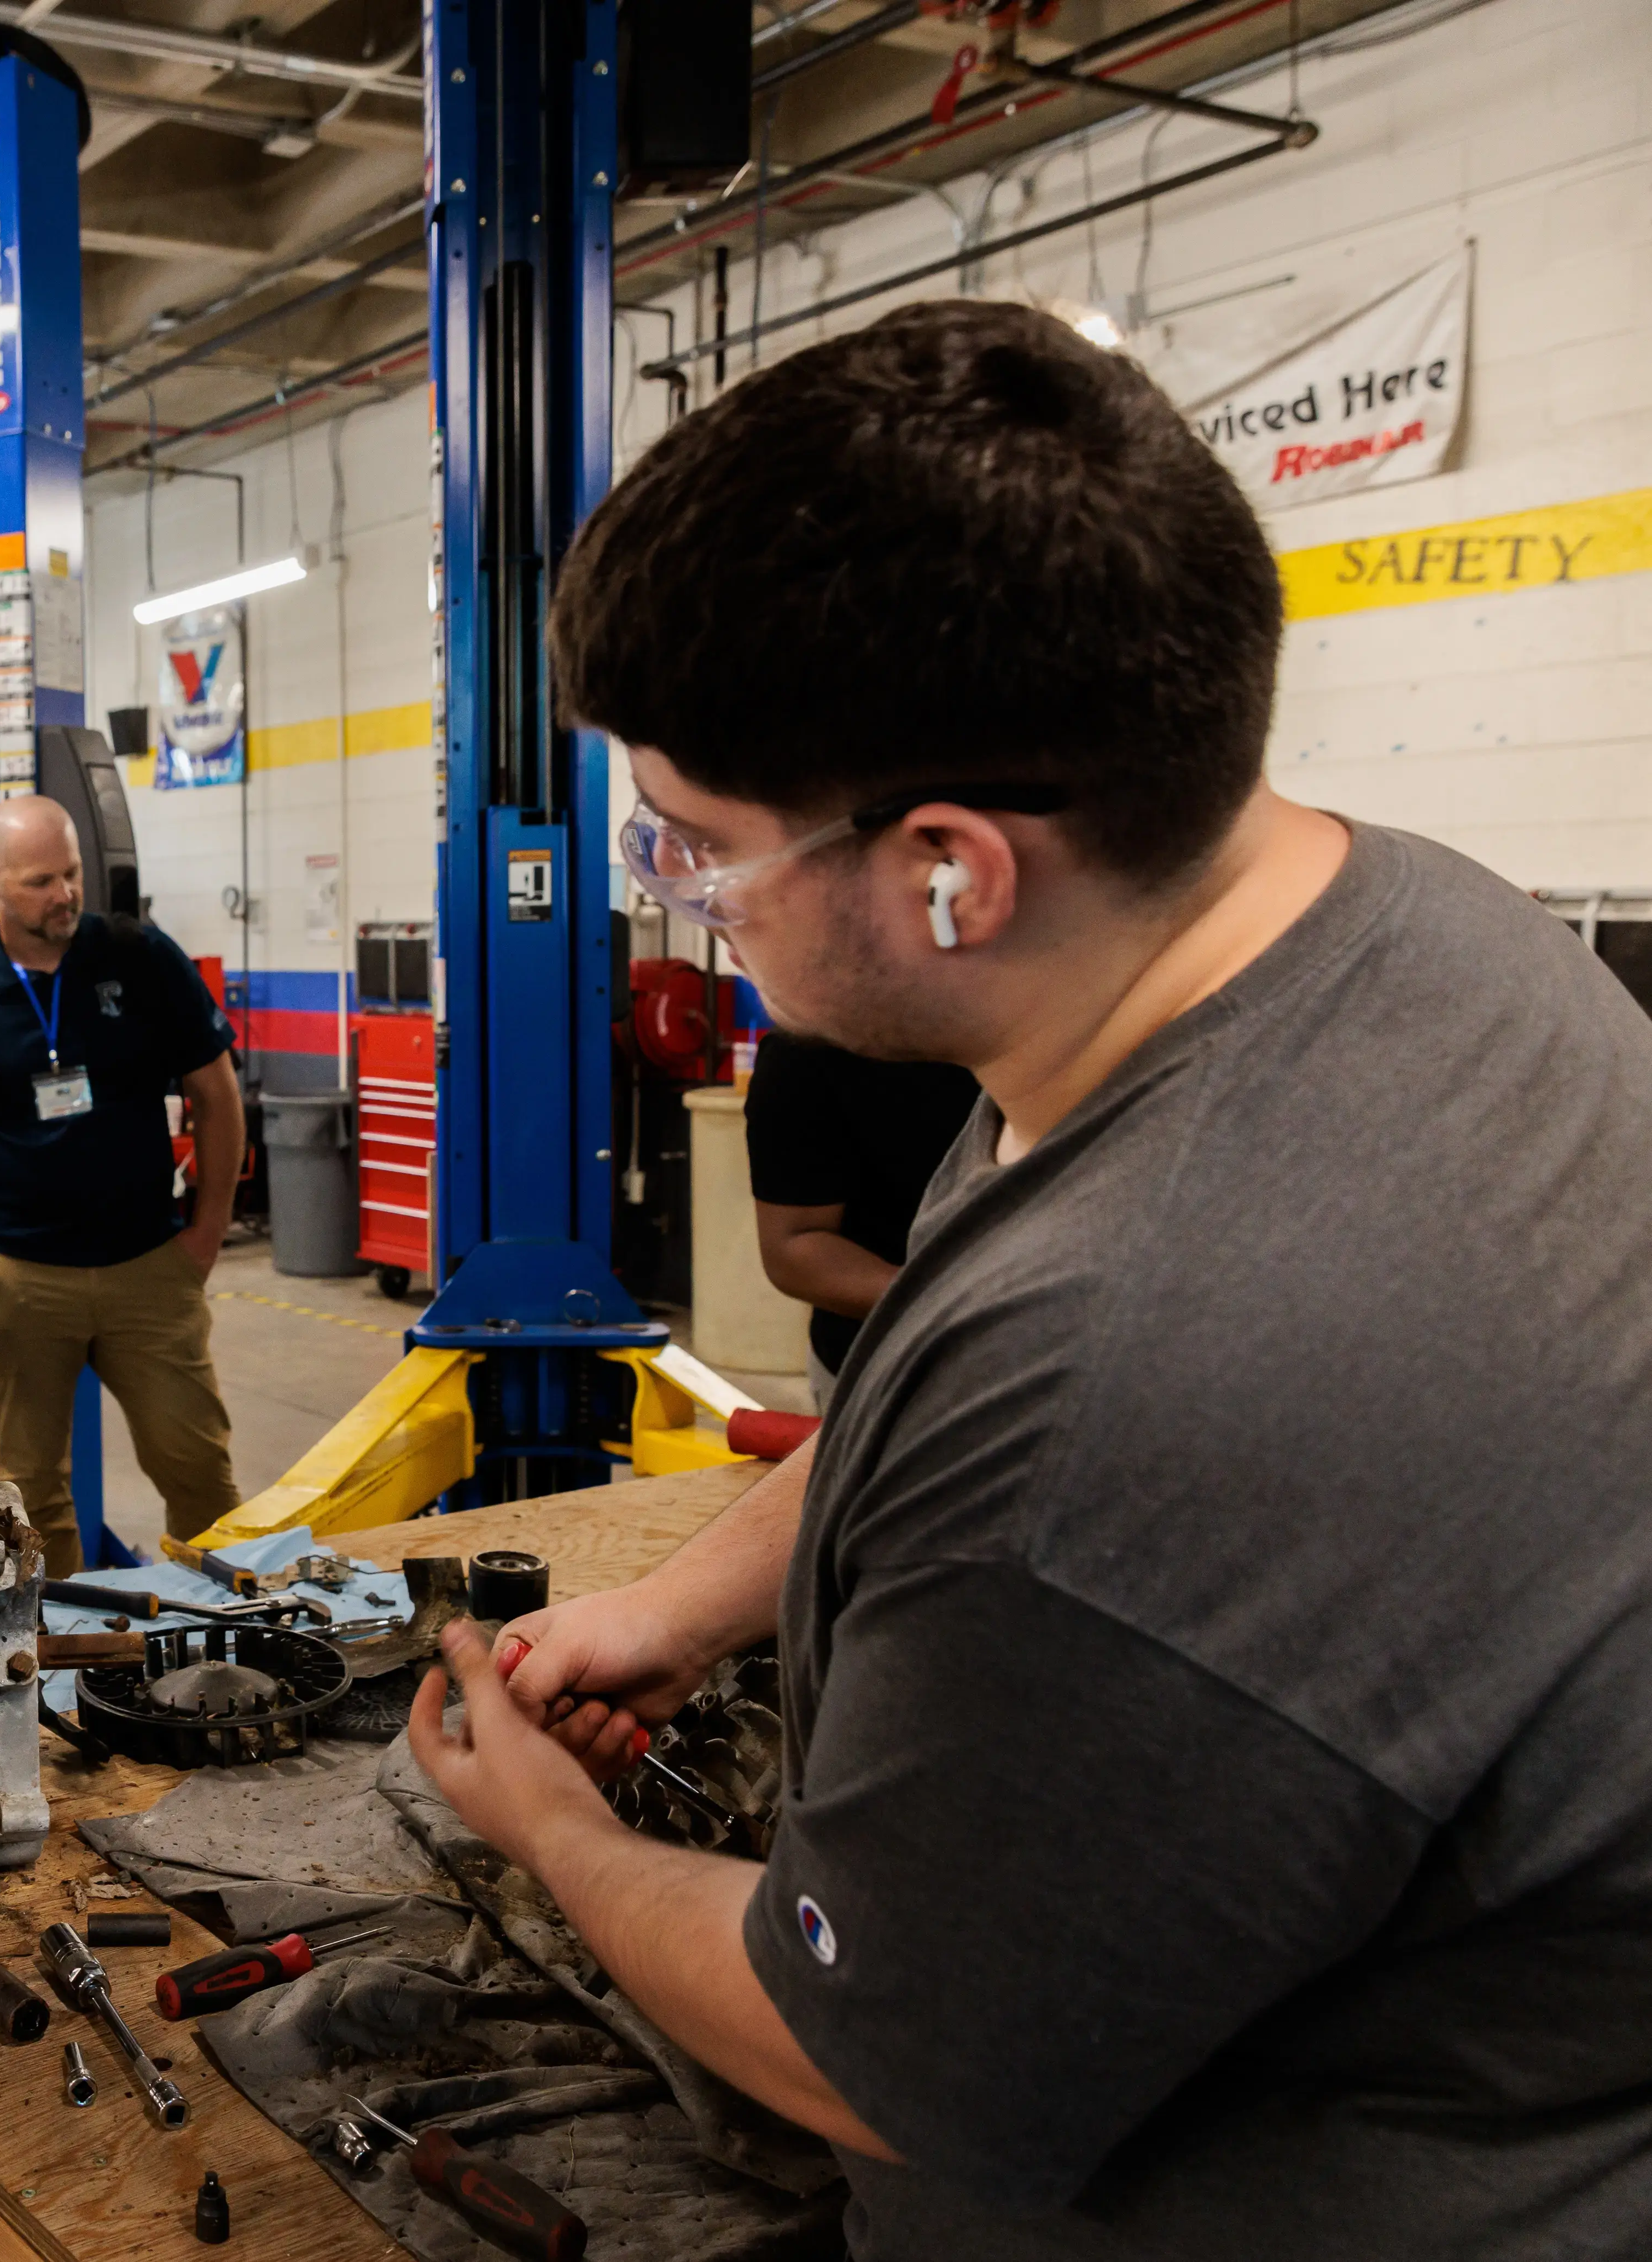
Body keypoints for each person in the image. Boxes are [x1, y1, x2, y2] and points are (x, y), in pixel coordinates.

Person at [400, 301, 1652, 2257]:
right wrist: (679, 1605)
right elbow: (969, 1378)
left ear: (946, 873)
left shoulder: (1138, 1376)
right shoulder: (1366, 922)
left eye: (693, 845)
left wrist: (556, 1835)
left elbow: (866, 2056)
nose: (677, 896)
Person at [0, 796, 245, 1578]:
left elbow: (218, 1095)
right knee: (32, 1498)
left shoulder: (140, 960)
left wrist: (207, 1231)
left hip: (150, 1268)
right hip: (20, 1279)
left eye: (72, 874)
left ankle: (223, 1645)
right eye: (41, 880)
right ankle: (62, 1658)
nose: (65, 895)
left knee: (201, 1476)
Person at [741, 1032, 978, 1404]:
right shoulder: (810, 1046)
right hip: (889, 1373)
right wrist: (964, 1304)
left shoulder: (1049, 1024)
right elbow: (793, 1248)